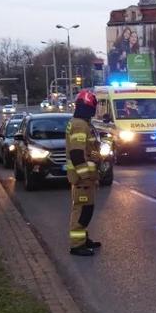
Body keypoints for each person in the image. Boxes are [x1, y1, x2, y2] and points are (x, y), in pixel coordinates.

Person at [65, 90, 101, 256]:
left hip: (86, 179)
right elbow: (77, 154)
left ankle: (83, 239)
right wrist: (86, 176)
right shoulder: (80, 124)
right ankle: (77, 245)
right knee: (81, 212)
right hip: (82, 179)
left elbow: (87, 149)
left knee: (87, 210)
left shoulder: (81, 122)